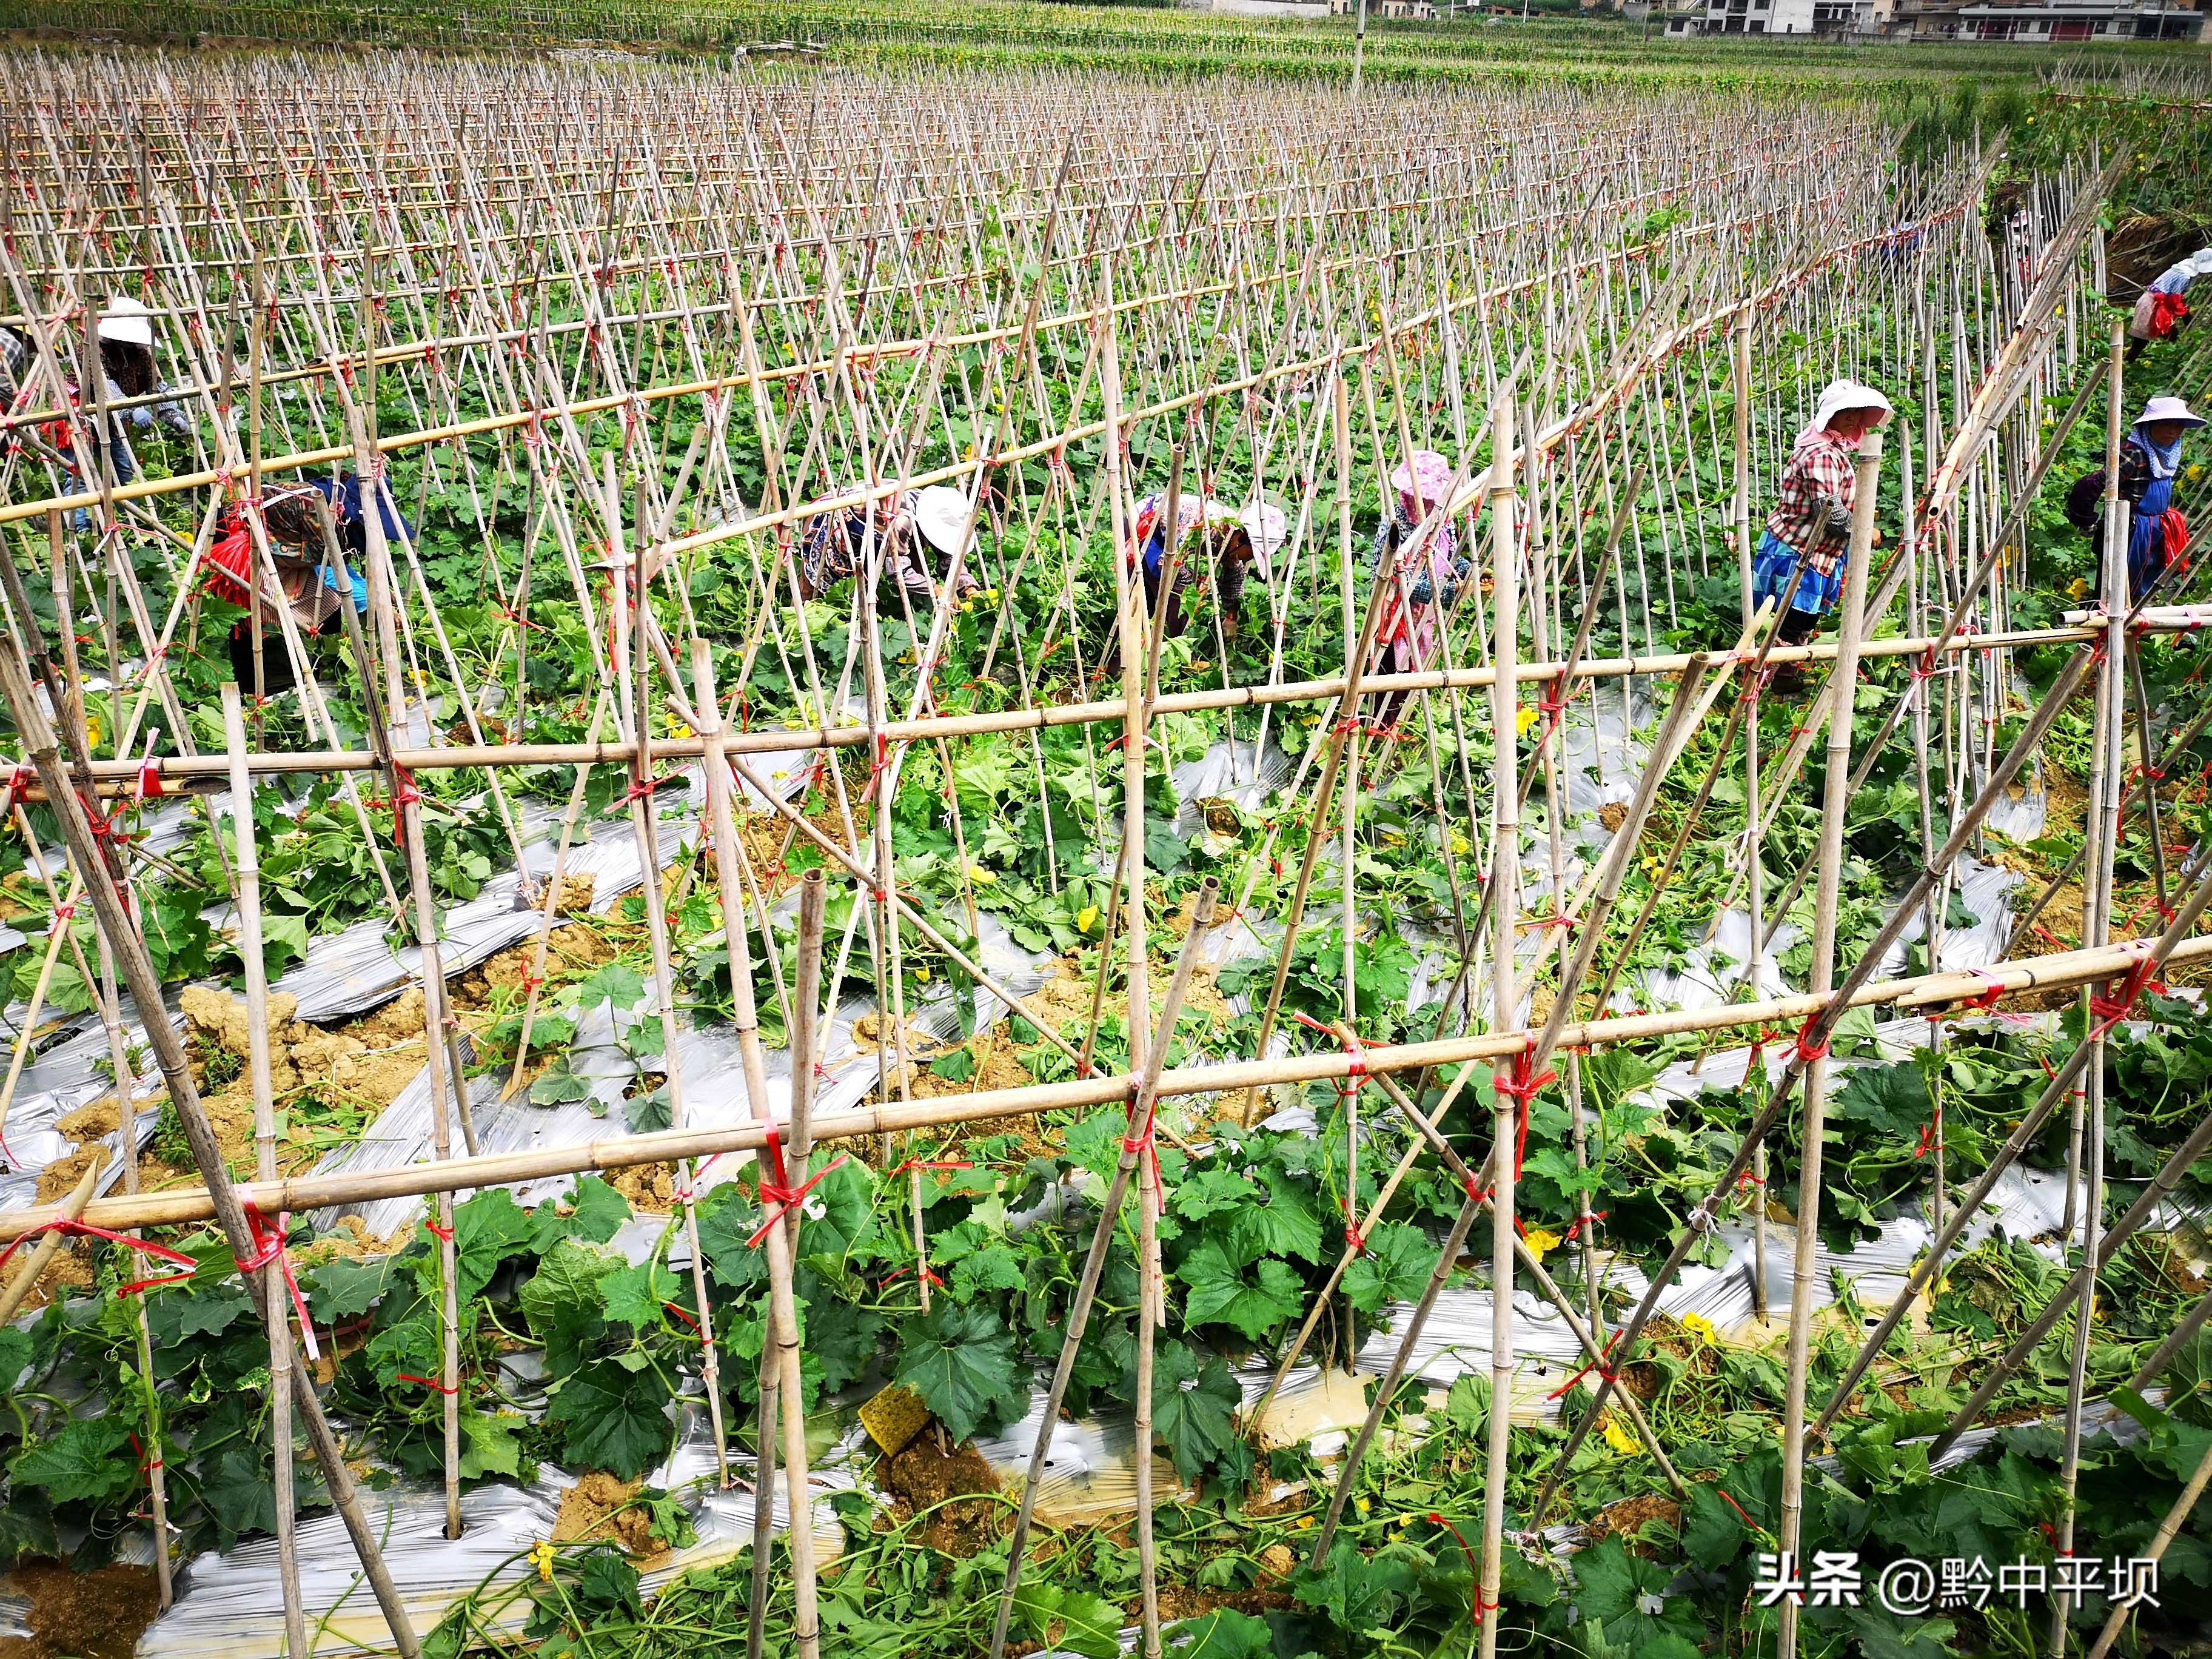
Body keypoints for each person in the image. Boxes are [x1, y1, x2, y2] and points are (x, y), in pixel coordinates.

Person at [1751, 379, 1891, 649]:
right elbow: (1830, 514)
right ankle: (1770, 677)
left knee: (1804, 619)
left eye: (1858, 411)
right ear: (1829, 417)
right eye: (1844, 412)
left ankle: (1782, 677)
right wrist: (1864, 529)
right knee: (1794, 620)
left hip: (1816, 550)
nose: (1853, 417)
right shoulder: (1821, 455)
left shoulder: (1832, 450)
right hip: (1799, 549)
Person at [2064, 395, 2203, 605]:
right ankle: (2101, 633)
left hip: (2156, 529)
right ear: (2150, 426)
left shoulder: (2168, 453)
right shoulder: (2134, 455)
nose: (2172, 431)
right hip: (2129, 529)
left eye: (2178, 426)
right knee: (2113, 587)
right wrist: (2086, 520)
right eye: (2166, 424)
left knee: (2144, 584)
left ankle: (2132, 625)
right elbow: (2091, 484)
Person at [1368, 449, 1472, 729]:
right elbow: (1392, 576)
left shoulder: (1446, 523)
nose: (1427, 503)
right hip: (1395, 617)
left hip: (1424, 616)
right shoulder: (1394, 530)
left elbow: (1448, 555)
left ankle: (1402, 721)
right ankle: (1381, 727)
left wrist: (1463, 570)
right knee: (1390, 671)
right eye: (1422, 499)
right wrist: (1439, 592)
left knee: (1417, 663)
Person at [796, 483, 981, 608]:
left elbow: (949, 556)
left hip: (875, 532)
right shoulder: (903, 522)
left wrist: (968, 588)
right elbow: (898, 572)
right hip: (833, 519)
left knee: (918, 569)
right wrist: (937, 590)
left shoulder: (936, 510)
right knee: (823, 590)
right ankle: (801, 622)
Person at [2130, 249, 2212, 363]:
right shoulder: (2184, 275)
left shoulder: (2183, 267)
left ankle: (2134, 362)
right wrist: (2185, 314)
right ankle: (2128, 364)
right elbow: (2174, 300)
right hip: (2151, 304)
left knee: (2169, 334)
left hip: (2154, 303)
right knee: (2141, 341)